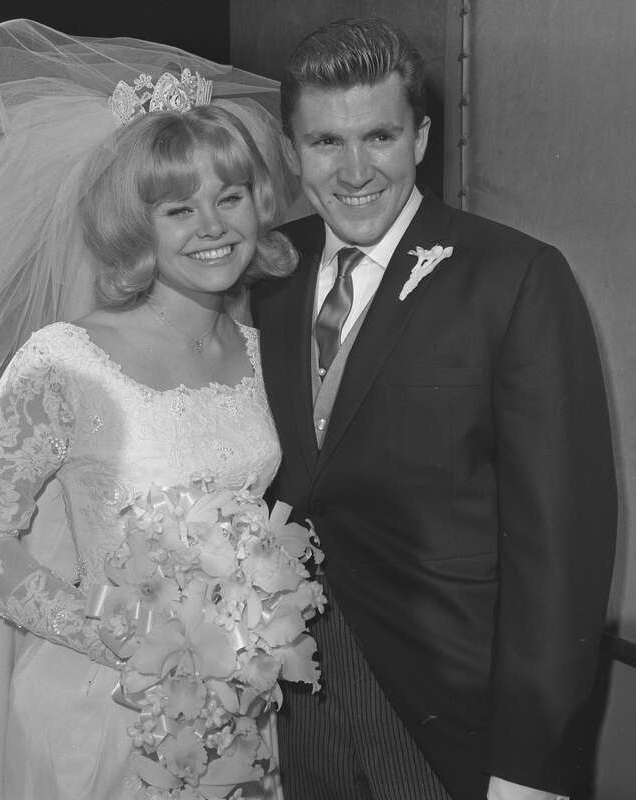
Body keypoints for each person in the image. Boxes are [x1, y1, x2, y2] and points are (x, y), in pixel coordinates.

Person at [0, 20, 301, 800]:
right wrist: (117, 633)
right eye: (177, 210)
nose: (212, 228)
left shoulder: (265, 353)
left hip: (234, 710)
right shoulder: (66, 360)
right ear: (136, 223)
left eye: (228, 198)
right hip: (96, 712)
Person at [251, 17, 617, 800]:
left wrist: (530, 766)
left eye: (378, 136)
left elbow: (562, 548)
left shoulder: (515, 277)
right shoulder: (265, 275)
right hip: (285, 712)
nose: (354, 171)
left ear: (419, 138)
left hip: (447, 720)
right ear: (290, 151)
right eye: (324, 143)